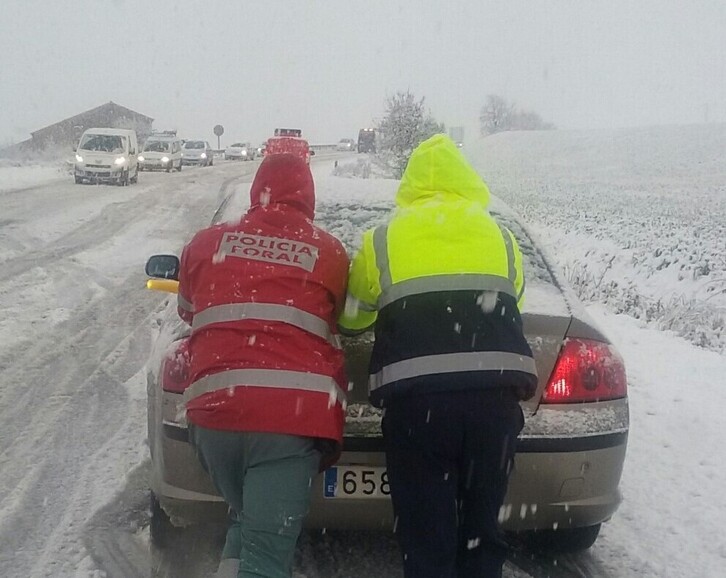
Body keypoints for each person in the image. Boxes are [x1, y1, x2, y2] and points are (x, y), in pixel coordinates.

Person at [338, 134, 538, 578]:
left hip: (419, 410)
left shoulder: (383, 239)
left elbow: (351, 318)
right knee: (482, 531)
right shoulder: (501, 237)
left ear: (409, 184)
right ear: (467, 179)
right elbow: (515, 301)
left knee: (427, 537)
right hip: (494, 406)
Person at [177, 153, 349, 578]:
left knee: (245, 519)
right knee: (266, 560)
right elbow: (345, 318)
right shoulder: (328, 251)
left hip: (214, 416)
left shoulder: (204, 243)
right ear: (308, 196)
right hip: (287, 424)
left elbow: (187, 309)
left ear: (257, 190)